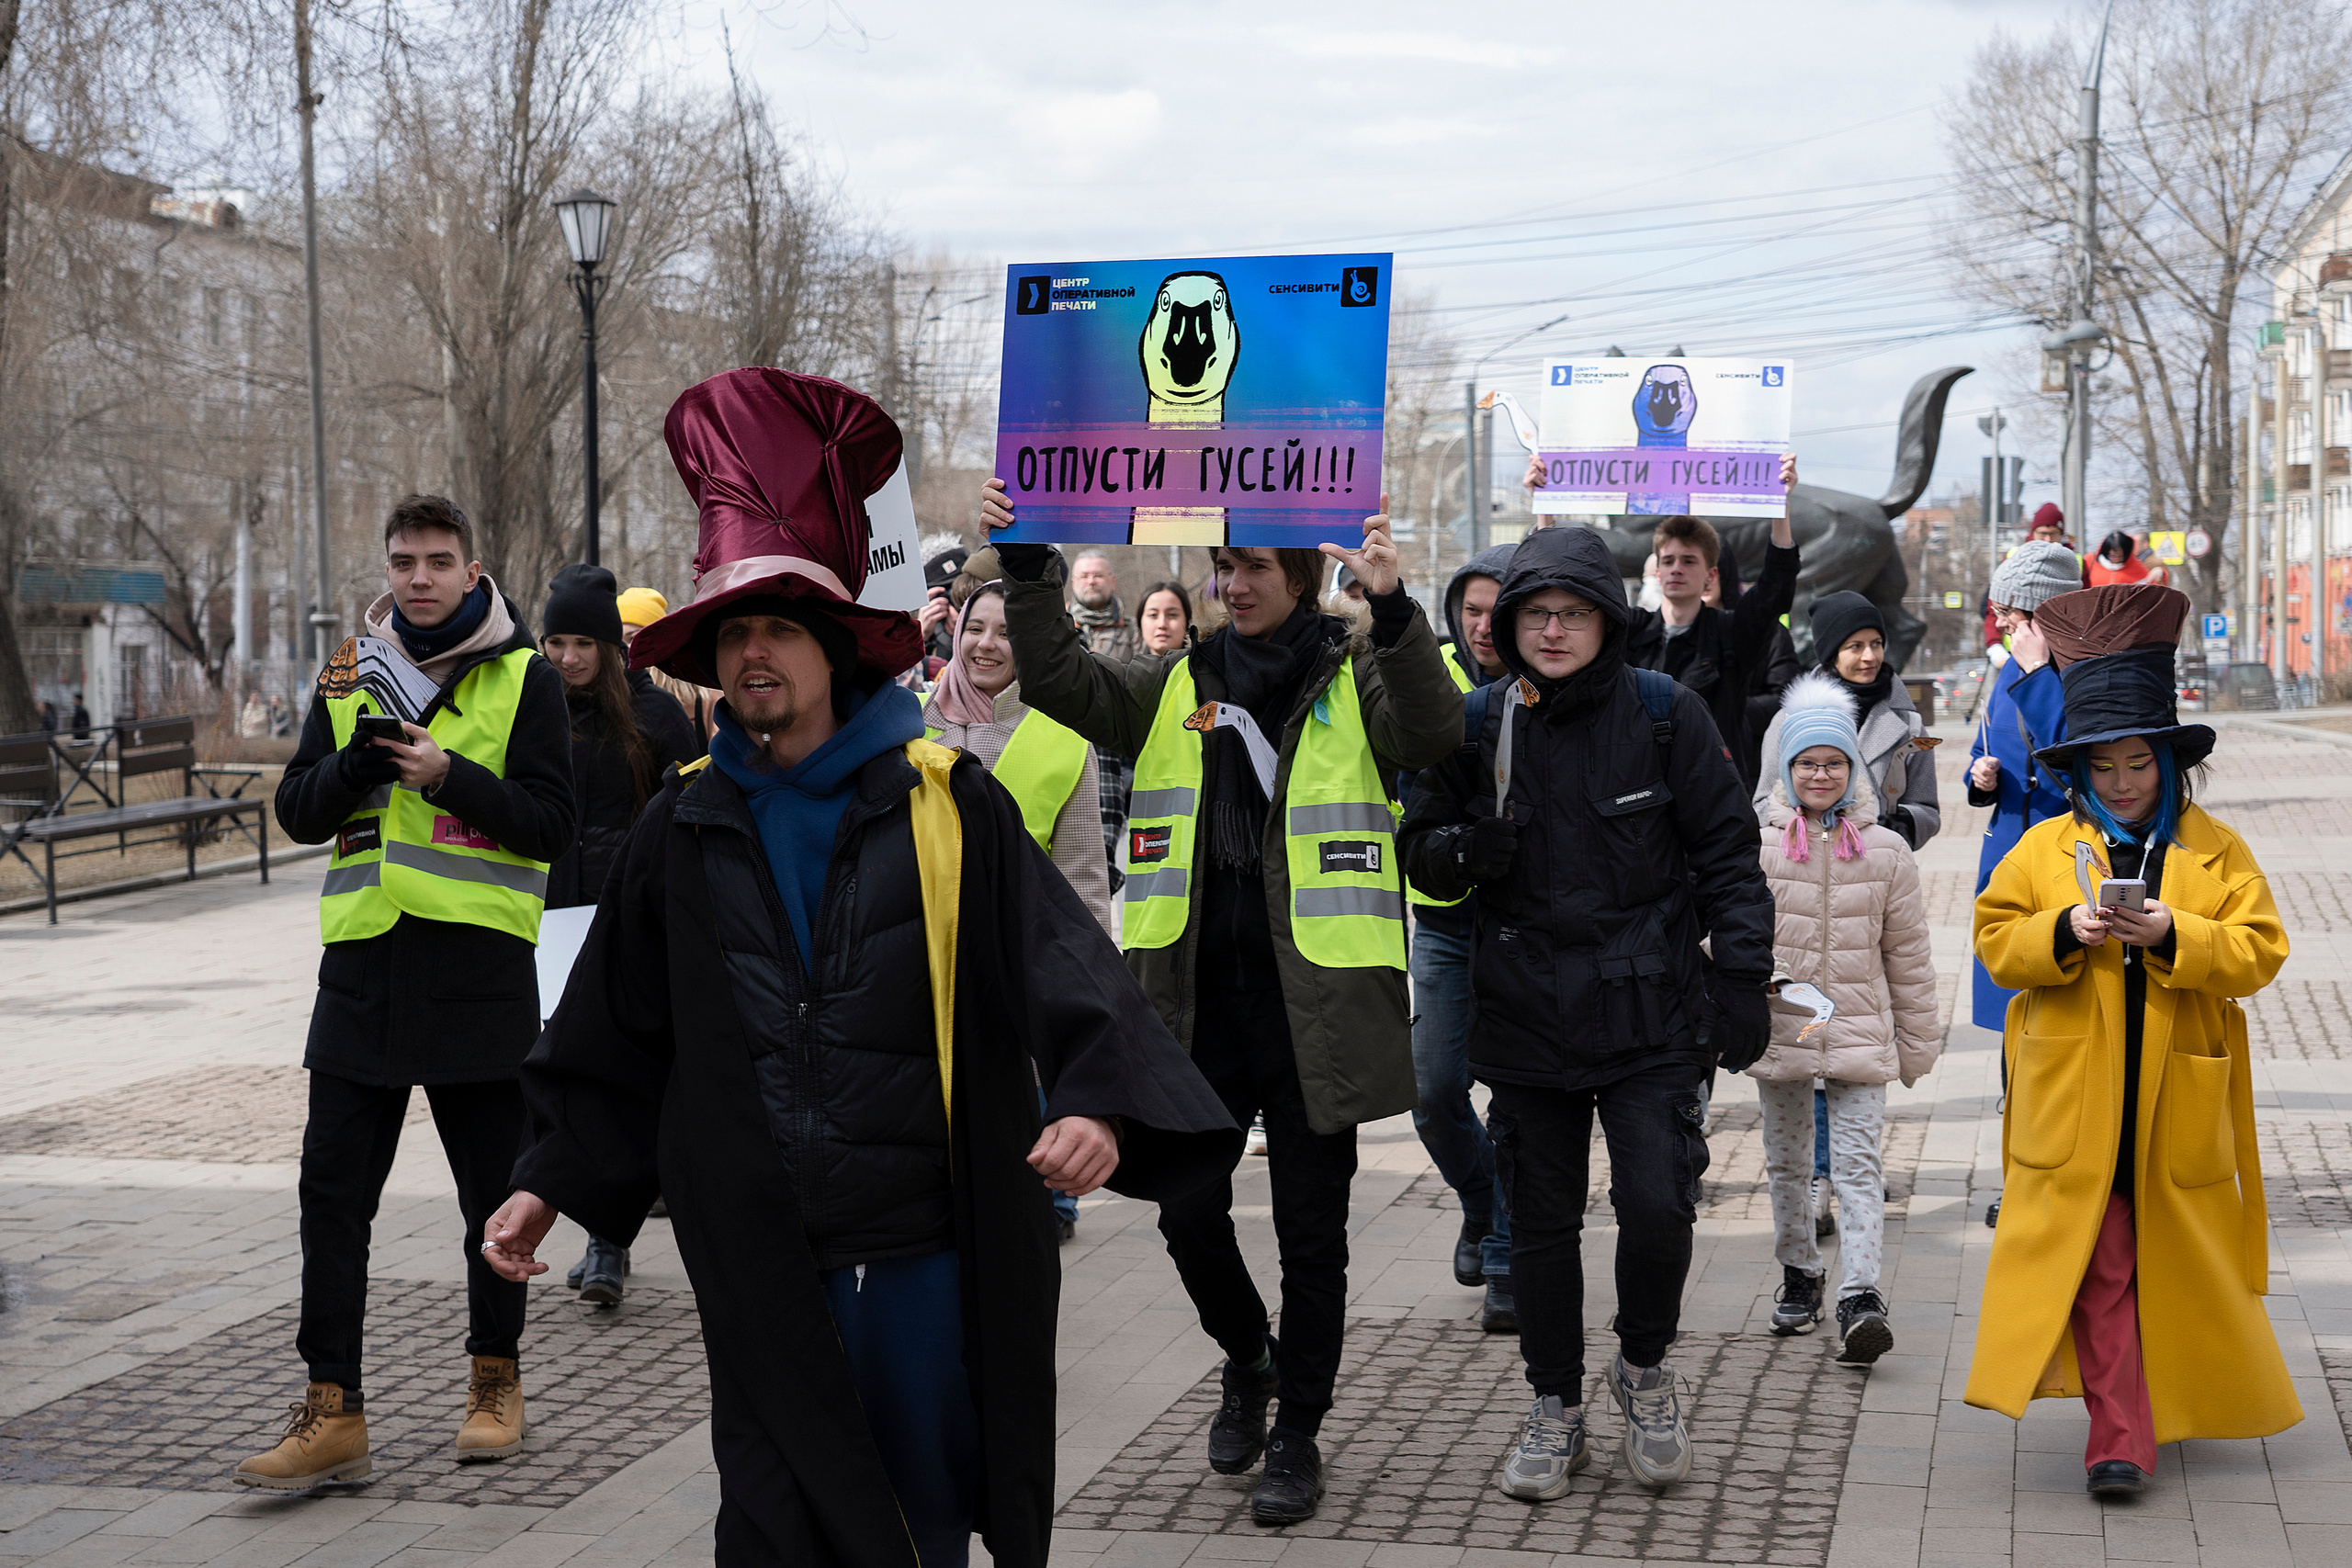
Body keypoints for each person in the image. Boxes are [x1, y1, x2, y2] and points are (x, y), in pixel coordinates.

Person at [486, 368, 1234, 1568]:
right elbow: (612, 1030)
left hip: (922, 1251)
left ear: (834, 646)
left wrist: (1094, 1096)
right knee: (769, 1521)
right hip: (758, 1249)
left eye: (778, 625)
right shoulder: (679, 830)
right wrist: (548, 1174)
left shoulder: (951, 808)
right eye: (732, 631)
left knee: (914, 1523)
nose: (752, 653)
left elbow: (1070, 968)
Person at [978, 477, 1463, 1526]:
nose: (1232, 585)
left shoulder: (1354, 673)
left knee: (1312, 1234)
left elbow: (1430, 732)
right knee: (1186, 1209)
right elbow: (1058, 677)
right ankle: (1249, 1357)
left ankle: (1298, 1433)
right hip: (1187, 1009)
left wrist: (1392, 608)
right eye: (1223, 568)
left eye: (1253, 569)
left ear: (1299, 577)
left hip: (1311, 1012)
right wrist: (1025, 565)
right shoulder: (1172, 681)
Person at [1398, 525, 1775, 1501]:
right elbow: (1417, 843)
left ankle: (1643, 1370)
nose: (1553, 630)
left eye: (1571, 613)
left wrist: (1739, 981)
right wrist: (1456, 854)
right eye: (1534, 615)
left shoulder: (1666, 716)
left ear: (1606, 622)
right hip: (1523, 1018)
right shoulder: (1476, 724)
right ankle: (1553, 1405)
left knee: (1658, 1205)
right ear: (1507, 627)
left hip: (1649, 1009)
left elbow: (1730, 858)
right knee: (1540, 1227)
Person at [238, 494, 574, 1492]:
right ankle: (332, 1407)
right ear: (385, 570)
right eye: (402, 561)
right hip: (361, 973)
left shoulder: (526, 676)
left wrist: (447, 773)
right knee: (330, 1198)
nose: (418, 577)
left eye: (437, 560)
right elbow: (298, 810)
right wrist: (351, 765)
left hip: (477, 977)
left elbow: (554, 825)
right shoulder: (349, 668)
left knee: (491, 1202)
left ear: (473, 572)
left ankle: (494, 1382)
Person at [1965, 581, 2297, 1498]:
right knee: (2103, 1263)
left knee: (2167, 1262)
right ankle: (2119, 1438)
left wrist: (2176, 938)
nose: (2121, 783)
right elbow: (1995, 940)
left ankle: (2152, 1401)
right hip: (2074, 1105)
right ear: (2077, 772)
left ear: (2167, 761)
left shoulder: (2214, 850)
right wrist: (2063, 932)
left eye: (2137, 764)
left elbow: (2259, 950)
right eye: (2103, 768)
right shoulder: (2040, 851)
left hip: (2172, 1101)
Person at [1750, 673, 1939, 1361]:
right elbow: (1726, 935)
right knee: (1789, 1163)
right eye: (1807, 763)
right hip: (1784, 1028)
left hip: (1861, 1029)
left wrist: (1917, 1043)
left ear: (1853, 769)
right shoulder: (1759, 846)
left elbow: (1909, 957)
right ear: (1787, 770)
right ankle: (1801, 1272)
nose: (1821, 774)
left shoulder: (1884, 851)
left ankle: (1860, 1293)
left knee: (1858, 1164)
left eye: (1834, 762)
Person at [924, 581, 1115, 1247]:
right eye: (976, 626)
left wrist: (1085, 996)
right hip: (916, 967)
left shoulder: (1066, 738)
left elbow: (1085, 882)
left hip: (1015, 977)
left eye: (1007, 631)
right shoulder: (907, 721)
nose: (986, 644)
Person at [538, 564, 701, 1305]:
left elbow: (682, 813)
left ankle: (609, 1240)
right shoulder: (529, 712)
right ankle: (588, 1226)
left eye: (582, 642)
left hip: (624, 919)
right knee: (556, 1078)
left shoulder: (654, 716)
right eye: (555, 642)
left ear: (610, 647)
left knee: (617, 1075)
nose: (568, 657)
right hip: (544, 920)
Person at [1532, 456, 1801, 786]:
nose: (1677, 569)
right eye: (1669, 560)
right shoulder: (1630, 630)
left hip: (1713, 792)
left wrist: (1780, 503)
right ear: (1656, 572)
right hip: (1637, 791)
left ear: (1711, 574)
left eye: (1689, 561)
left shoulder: (1730, 633)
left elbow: (1776, 588)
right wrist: (1544, 507)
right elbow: (1566, 587)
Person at [1409, 543, 1518, 1330]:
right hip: (1443, 917)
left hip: (1525, 928)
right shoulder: (1428, 679)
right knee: (1433, 1090)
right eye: (1470, 609)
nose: (1482, 624)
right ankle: (1481, 1201)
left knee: (1517, 1096)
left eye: (1496, 609)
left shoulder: (1549, 682)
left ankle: (1510, 1255)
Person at [1967, 542, 2081, 1032]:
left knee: (2057, 994)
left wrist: (2038, 674)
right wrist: (1980, 776)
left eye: (2007, 611)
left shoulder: (2082, 669)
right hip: (2009, 844)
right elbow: (1984, 743)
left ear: (2041, 610)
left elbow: (2075, 754)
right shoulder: (2011, 665)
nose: (2001, 623)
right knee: (2010, 995)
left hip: (2065, 852)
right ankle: (2014, 1094)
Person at [1752, 592, 1939, 850]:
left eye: (1876, 643)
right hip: (1805, 868)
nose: (1870, 656)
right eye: (1855, 646)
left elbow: (1926, 808)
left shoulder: (1909, 724)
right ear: (1831, 653)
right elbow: (1763, 803)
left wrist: (1900, 825)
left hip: (1879, 869)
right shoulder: (1790, 720)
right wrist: (1810, 828)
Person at [619, 587, 720, 741]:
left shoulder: (708, 702)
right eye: (618, 641)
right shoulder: (616, 699)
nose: (625, 650)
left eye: (633, 639)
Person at [2088, 529, 2165, 588]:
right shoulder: (2090, 561)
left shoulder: (2136, 566)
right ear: (2105, 552)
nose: (2116, 559)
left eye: (2120, 556)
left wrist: (2162, 574)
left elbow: (2154, 588)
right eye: (2112, 556)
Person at [1136, 580, 1195, 656]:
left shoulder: (1204, 667)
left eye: (1172, 615)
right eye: (1153, 615)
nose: (1162, 624)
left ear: (1188, 621)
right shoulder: (1129, 666)